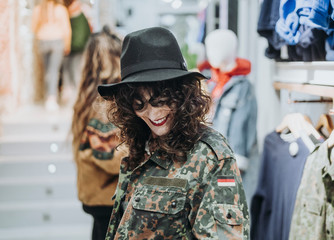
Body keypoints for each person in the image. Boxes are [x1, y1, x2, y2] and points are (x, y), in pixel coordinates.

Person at [97, 27, 249, 240]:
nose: (153, 113)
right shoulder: (143, 144)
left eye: (161, 101)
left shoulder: (210, 156)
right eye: (139, 104)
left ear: (181, 95)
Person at [71, 26, 127, 240]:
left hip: (98, 196)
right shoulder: (105, 102)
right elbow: (112, 158)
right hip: (109, 197)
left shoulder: (87, 96)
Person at [203, 29, 258, 204]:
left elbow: (242, 131)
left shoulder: (242, 87)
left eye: (218, 47)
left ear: (231, 50)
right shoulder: (212, 84)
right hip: (210, 165)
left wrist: (231, 172)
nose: (212, 52)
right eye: (210, 47)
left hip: (229, 167)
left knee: (229, 211)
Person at [31, 0, 71, 111]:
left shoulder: (38, 9)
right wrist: (67, 44)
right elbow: (66, 29)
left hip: (42, 40)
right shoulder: (61, 9)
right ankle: (51, 98)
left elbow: (33, 28)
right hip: (57, 40)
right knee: (53, 71)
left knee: (47, 71)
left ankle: (48, 97)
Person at [61, 0, 92, 105]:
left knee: (68, 71)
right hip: (78, 46)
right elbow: (87, 30)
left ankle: (71, 95)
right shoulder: (81, 12)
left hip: (69, 46)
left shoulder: (65, 13)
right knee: (76, 71)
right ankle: (78, 96)